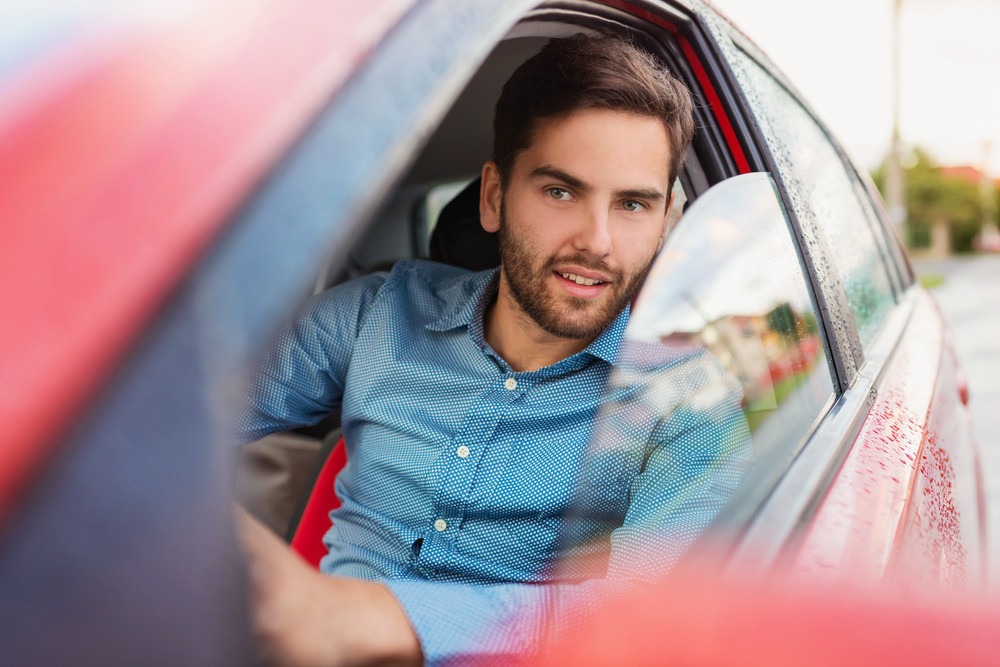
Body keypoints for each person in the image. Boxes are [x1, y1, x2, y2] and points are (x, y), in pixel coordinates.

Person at [234, 33, 749, 666]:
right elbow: (184, 414)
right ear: (494, 197)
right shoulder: (375, 313)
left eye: (633, 204)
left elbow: (645, 616)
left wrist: (365, 619)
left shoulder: (688, 403)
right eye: (561, 191)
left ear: (668, 219)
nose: (598, 243)